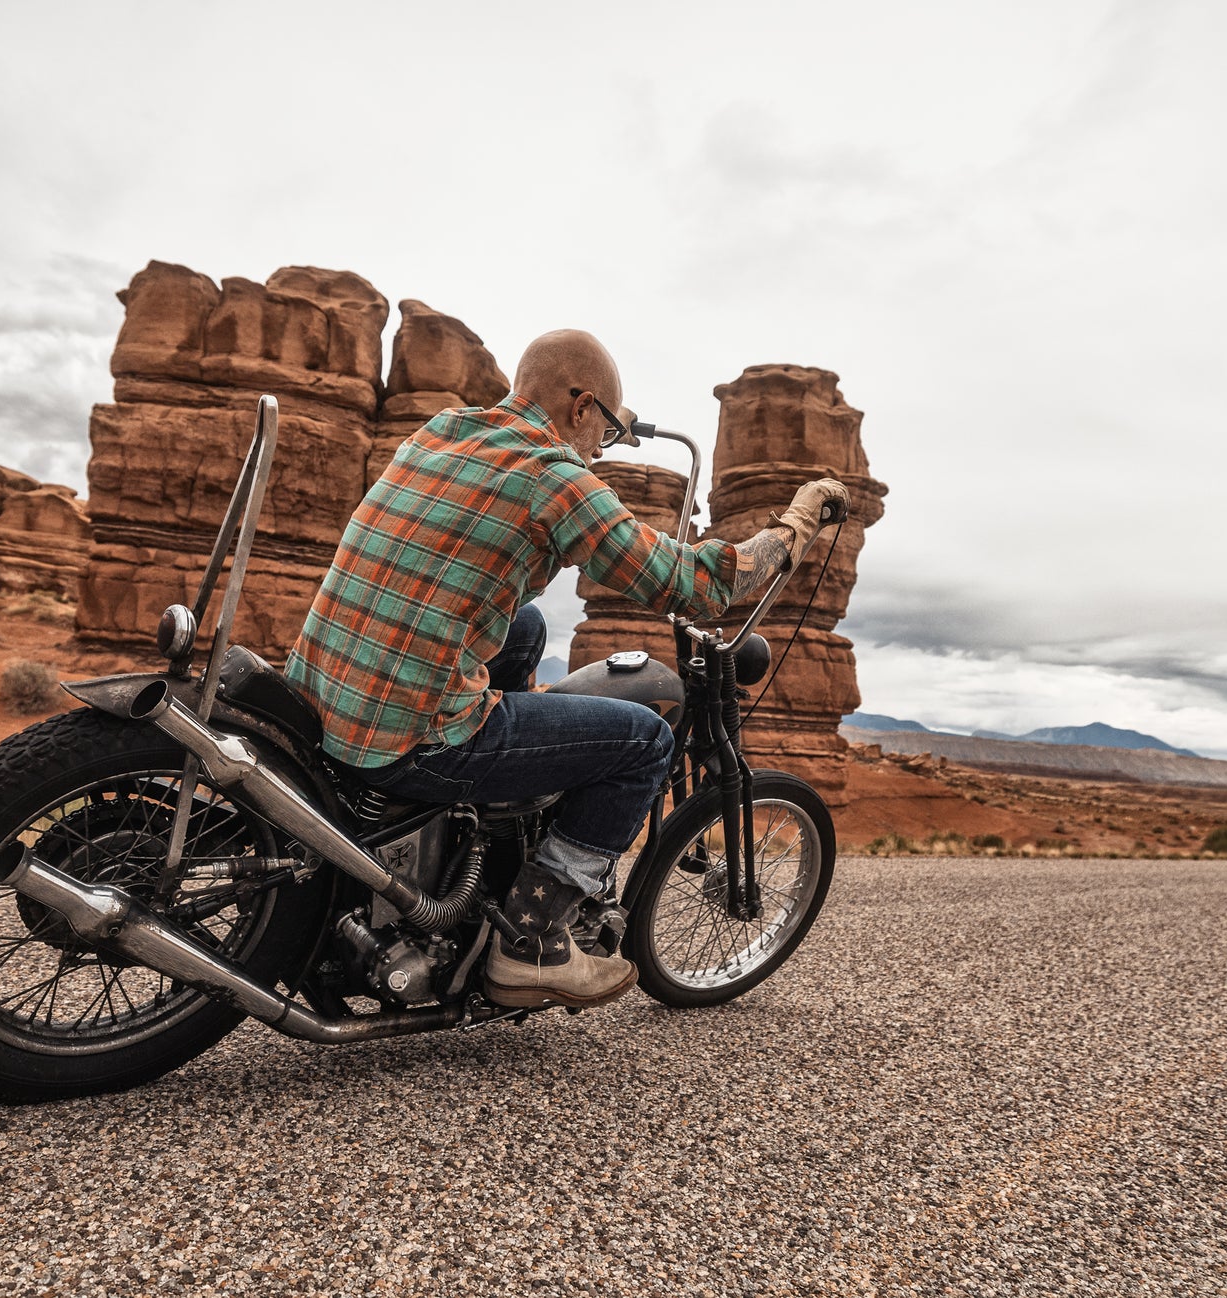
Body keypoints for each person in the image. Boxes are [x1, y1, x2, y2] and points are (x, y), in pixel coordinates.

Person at [285, 330, 847, 1010]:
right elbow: (698, 584)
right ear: (581, 406)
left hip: (318, 696)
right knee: (644, 742)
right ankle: (529, 943)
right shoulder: (557, 479)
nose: (600, 448)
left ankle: (496, 823)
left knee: (524, 626)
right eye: (604, 430)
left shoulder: (446, 428)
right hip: (407, 734)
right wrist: (795, 525)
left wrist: (616, 426)